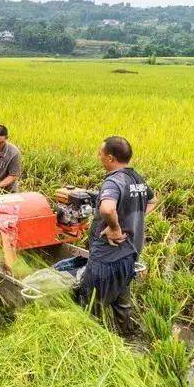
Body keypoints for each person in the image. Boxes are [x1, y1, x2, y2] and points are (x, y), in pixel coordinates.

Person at [78, 136, 156, 334]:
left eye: (101, 154)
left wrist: (115, 228)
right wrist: (132, 219)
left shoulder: (114, 181)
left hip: (107, 256)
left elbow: (106, 208)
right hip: (130, 251)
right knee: (122, 297)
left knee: (90, 301)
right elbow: (153, 200)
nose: (99, 158)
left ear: (111, 158)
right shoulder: (137, 179)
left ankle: (91, 339)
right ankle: (126, 334)